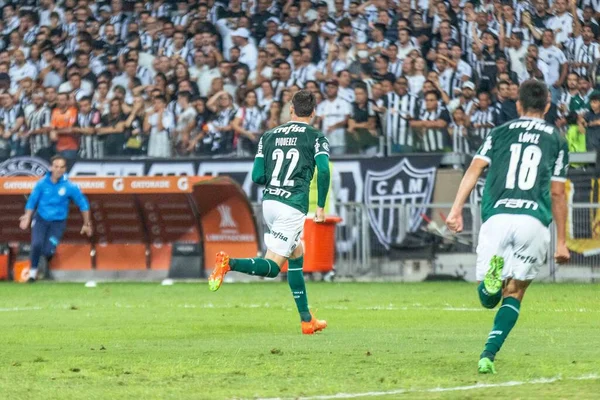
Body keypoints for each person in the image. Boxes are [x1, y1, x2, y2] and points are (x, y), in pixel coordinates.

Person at [445, 80, 570, 374]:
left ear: (518, 105)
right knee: (515, 293)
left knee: (488, 298)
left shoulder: (499, 132)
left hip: (497, 217)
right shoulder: (556, 138)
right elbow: (557, 193)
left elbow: (474, 170)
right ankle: (488, 353)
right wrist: (562, 240)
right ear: (548, 106)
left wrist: (455, 210)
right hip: (532, 222)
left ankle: (491, 284)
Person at [208, 90, 331, 335]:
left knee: (297, 253)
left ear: (291, 110)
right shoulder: (316, 137)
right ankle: (228, 263)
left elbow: (257, 176)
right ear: (314, 111)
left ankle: (307, 320)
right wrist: (320, 207)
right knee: (273, 268)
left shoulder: (269, 135)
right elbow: (324, 171)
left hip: (271, 203)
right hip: (293, 205)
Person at [19, 155, 92, 282]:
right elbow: (32, 201)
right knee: (36, 245)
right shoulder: (41, 184)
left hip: (58, 223)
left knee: (47, 251)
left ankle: (44, 270)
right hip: (41, 219)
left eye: (61, 167)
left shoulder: (70, 186)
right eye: (56, 166)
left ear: (65, 169)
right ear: (51, 167)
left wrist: (86, 223)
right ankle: (32, 274)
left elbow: (83, 204)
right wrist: (27, 216)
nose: (58, 169)